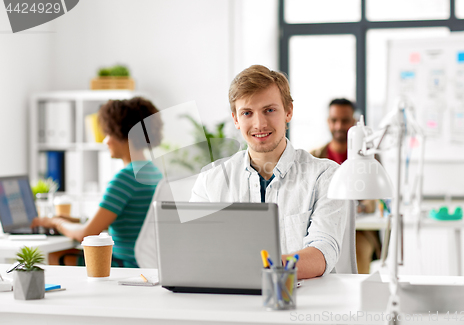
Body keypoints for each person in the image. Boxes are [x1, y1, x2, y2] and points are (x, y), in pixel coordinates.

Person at [190, 65, 347, 280]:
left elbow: (322, 252)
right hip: (230, 301)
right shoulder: (211, 181)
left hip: (301, 302)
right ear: (236, 119)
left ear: (288, 111)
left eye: (269, 110)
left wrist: (259, 266)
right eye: (247, 113)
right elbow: (193, 250)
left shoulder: (325, 175)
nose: (259, 123)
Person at [31, 97, 163, 268]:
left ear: (123, 135)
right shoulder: (154, 172)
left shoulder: (125, 178)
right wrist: (72, 220)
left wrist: (56, 223)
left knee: (57, 255)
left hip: (124, 264)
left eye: (109, 134)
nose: (105, 141)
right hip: (145, 263)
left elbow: (86, 234)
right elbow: (124, 220)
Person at [310, 98, 381, 274]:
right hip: (323, 226)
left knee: (357, 253)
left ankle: (358, 298)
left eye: (345, 120)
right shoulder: (315, 157)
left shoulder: (368, 159)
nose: (339, 126)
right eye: (334, 120)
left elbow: (372, 200)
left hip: (360, 231)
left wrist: (359, 207)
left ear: (354, 122)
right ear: (328, 122)